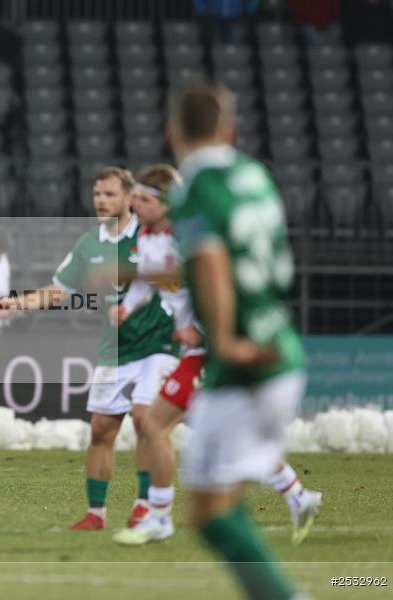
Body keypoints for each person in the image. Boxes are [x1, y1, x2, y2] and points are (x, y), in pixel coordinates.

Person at [106, 165, 322, 547]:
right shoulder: (148, 235)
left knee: (154, 425)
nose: (133, 203)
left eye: (142, 198)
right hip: (199, 348)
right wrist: (129, 307)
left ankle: (158, 515)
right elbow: (150, 282)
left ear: (164, 203)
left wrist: (202, 329)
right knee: (220, 434)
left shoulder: (189, 238)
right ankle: (297, 495)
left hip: (210, 347)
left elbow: (222, 287)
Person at [166, 81, 308, 599]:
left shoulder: (195, 188)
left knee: (207, 512)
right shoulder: (256, 175)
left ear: (173, 133)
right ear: (231, 130)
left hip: (243, 364)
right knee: (228, 499)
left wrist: (222, 341)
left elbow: (210, 262)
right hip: (282, 349)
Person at [0, 167, 178, 531]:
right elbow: (59, 290)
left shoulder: (152, 234)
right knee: (101, 430)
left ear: (129, 198)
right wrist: (16, 303)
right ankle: (96, 514)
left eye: (109, 194)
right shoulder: (89, 244)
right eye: (97, 194)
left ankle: (144, 505)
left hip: (158, 342)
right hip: (115, 348)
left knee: (144, 420)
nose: (101, 201)